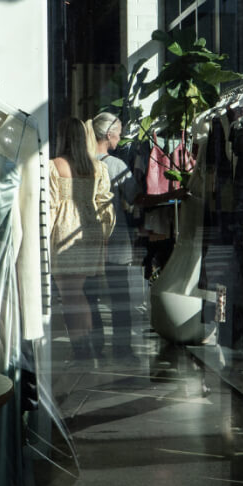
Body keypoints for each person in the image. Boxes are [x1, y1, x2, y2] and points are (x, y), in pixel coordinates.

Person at [89, 112, 186, 361]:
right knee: (120, 298)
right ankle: (122, 349)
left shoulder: (83, 164)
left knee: (90, 297)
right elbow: (136, 198)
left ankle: (94, 346)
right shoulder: (115, 165)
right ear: (109, 134)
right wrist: (170, 196)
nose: (120, 138)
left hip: (88, 240)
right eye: (119, 133)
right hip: (114, 239)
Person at [49, 117, 115, 359]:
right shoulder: (97, 167)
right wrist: (104, 234)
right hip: (90, 230)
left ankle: (82, 348)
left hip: (66, 230)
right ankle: (89, 345)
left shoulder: (54, 166)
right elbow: (105, 203)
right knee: (80, 293)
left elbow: (51, 206)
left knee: (70, 295)